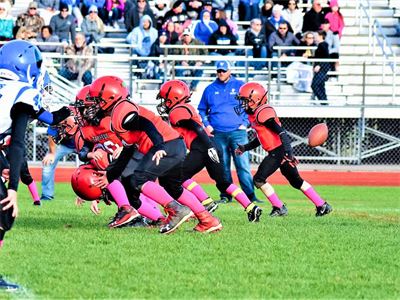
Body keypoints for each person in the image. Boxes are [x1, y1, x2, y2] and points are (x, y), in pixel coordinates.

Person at [87, 76, 222, 234]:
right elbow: (127, 150)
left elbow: (146, 124)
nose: (95, 104)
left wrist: (158, 145)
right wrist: (110, 176)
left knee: (138, 179)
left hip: (165, 146)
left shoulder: (121, 111)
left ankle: (176, 211)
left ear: (111, 97)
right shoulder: (119, 113)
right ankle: (207, 220)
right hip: (173, 145)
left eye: (98, 100)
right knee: (172, 186)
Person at [157, 80, 263, 222]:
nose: (164, 102)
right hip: (210, 146)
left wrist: (208, 147)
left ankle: (194, 208)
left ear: (173, 98)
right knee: (223, 183)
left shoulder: (177, 111)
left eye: (165, 99)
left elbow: (197, 127)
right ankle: (251, 208)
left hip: (203, 147)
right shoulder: (185, 107)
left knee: (171, 178)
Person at [0, 40, 71, 248]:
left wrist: (72, 110)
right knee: (5, 209)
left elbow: (50, 118)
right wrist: (13, 188)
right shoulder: (23, 93)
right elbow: (19, 144)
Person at [235, 82, 333, 217]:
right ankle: (322, 205)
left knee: (258, 179)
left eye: (246, 101)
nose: (243, 104)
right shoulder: (255, 113)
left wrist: (288, 153)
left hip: (278, 152)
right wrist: (245, 147)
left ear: (256, 100)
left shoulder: (263, 113)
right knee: (296, 181)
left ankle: (279, 207)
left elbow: (282, 133)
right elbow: (262, 138)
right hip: (278, 151)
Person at [198, 60, 262, 204]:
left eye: (224, 71)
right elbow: (202, 110)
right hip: (217, 133)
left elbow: (250, 105)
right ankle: (226, 195)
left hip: (237, 133)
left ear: (229, 71)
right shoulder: (209, 89)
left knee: (243, 165)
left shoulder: (240, 86)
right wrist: (207, 125)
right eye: (219, 71)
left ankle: (250, 196)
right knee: (223, 166)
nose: (221, 73)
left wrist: (245, 123)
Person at [41, 126, 76, 201]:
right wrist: (52, 154)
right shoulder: (58, 118)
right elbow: (51, 135)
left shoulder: (82, 118)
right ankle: (47, 195)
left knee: (97, 163)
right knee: (48, 164)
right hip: (63, 145)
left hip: (82, 145)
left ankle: (99, 194)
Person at [311, 30, 330, 103]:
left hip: (322, 68)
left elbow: (326, 56)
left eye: (316, 36)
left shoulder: (323, 45)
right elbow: (318, 56)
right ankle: (324, 101)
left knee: (315, 85)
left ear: (321, 36)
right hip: (321, 68)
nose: (315, 38)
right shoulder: (321, 45)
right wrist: (309, 57)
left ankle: (323, 101)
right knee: (321, 85)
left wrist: (319, 65)